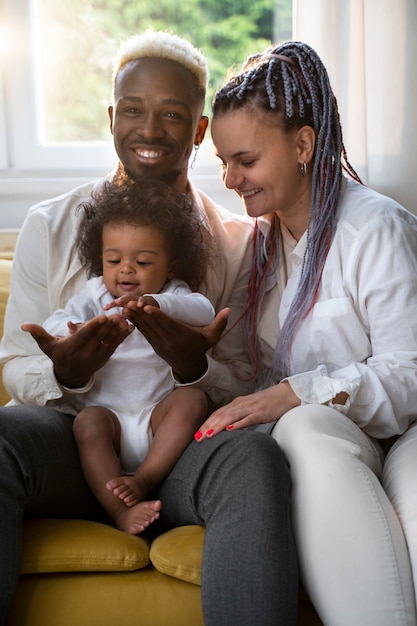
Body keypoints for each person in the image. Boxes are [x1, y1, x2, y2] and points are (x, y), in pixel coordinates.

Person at [0, 30, 298, 625]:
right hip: (75, 436)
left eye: (172, 114)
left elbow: (247, 377)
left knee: (255, 460)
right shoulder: (49, 225)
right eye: (133, 110)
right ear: (112, 117)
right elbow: (16, 364)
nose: (150, 129)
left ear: (199, 129)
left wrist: (194, 367)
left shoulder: (242, 245)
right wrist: (69, 372)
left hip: (179, 448)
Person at [196, 41, 417, 625]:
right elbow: (245, 374)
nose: (230, 178)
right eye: (222, 160)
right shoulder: (258, 250)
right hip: (334, 441)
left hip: (411, 430)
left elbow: (412, 372)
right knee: (308, 431)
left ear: (302, 144)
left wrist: (295, 392)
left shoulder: (378, 229)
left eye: (244, 159)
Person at [23, 178, 216, 535]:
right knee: (87, 422)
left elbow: (203, 310)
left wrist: (157, 303)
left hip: (157, 419)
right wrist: (75, 331)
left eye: (142, 261)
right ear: (101, 259)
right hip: (108, 423)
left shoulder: (173, 293)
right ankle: (119, 511)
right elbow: (58, 321)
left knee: (191, 400)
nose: (126, 269)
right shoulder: (95, 294)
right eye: (114, 259)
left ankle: (144, 479)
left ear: (170, 267)